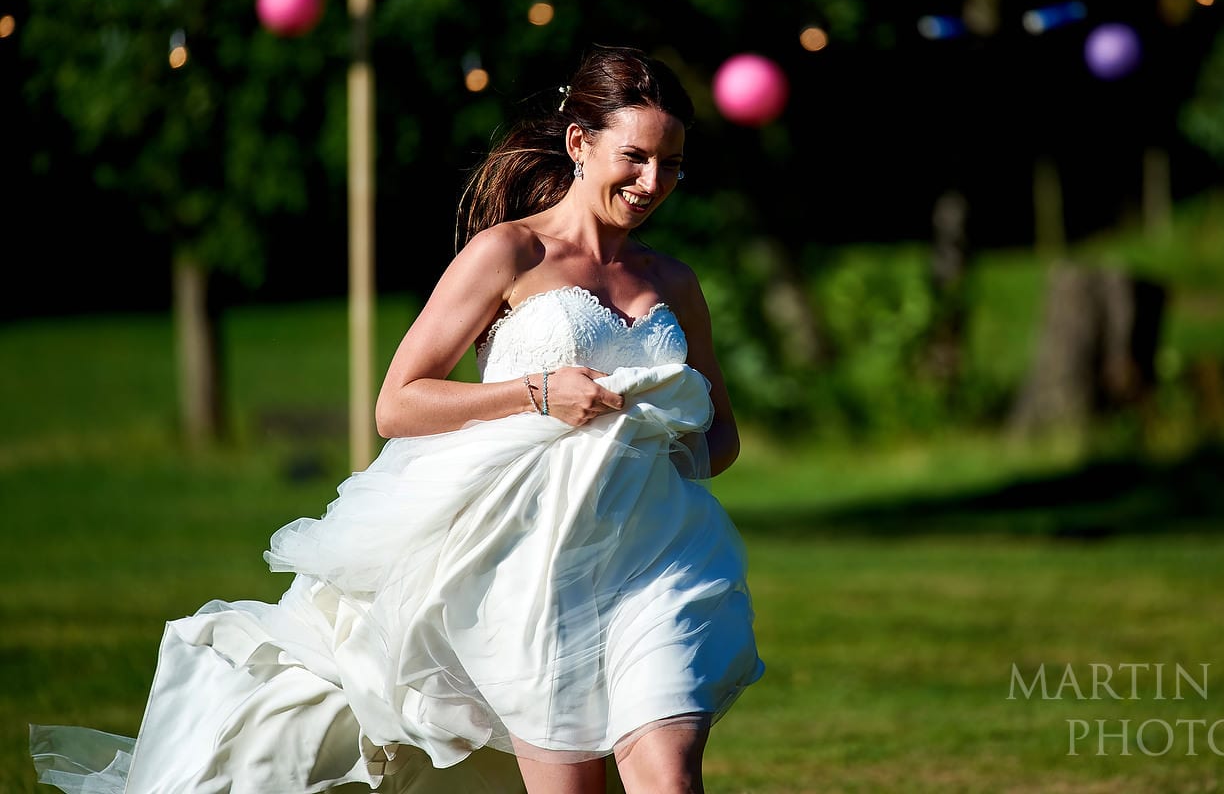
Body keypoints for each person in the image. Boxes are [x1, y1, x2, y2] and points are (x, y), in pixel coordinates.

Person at [30, 44, 765, 794]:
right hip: (530, 564)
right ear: (580, 143)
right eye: (635, 157)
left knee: (669, 778)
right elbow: (398, 402)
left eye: (671, 165)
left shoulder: (674, 281)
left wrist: (654, 443)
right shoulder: (510, 252)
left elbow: (722, 433)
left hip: (655, 558)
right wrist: (540, 394)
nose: (652, 182)